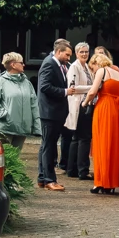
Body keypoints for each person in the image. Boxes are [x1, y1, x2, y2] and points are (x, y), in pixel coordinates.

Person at [86, 49, 119, 194]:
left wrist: (85, 103)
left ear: (96, 63)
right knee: (115, 145)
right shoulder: (117, 73)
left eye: (93, 67)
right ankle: (111, 183)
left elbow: (92, 91)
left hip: (104, 108)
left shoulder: (102, 71)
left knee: (101, 144)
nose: (93, 70)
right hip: (118, 110)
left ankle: (101, 181)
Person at [35, 38, 73, 189]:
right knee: (49, 146)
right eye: (67, 55)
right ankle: (50, 180)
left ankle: (43, 178)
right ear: (58, 52)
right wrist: (65, 92)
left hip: (54, 112)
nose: (69, 59)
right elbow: (44, 86)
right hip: (50, 112)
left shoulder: (57, 64)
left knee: (46, 146)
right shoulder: (50, 63)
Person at [0, 52, 36, 148]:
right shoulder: (0, 82)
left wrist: (34, 124)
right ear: (13, 65)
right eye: (21, 62)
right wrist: (3, 114)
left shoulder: (27, 83)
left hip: (22, 128)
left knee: (15, 158)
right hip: (6, 127)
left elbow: (33, 104)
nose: (24, 64)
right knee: (5, 157)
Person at [65, 42, 95, 178]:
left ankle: (73, 170)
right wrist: (92, 87)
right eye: (81, 52)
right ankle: (82, 170)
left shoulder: (86, 67)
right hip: (79, 105)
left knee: (77, 138)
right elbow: (73, 87)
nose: (84, 54)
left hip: (85, 103)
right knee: (84, 138)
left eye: (86, 52)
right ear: (76, 54)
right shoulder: (74, 67)